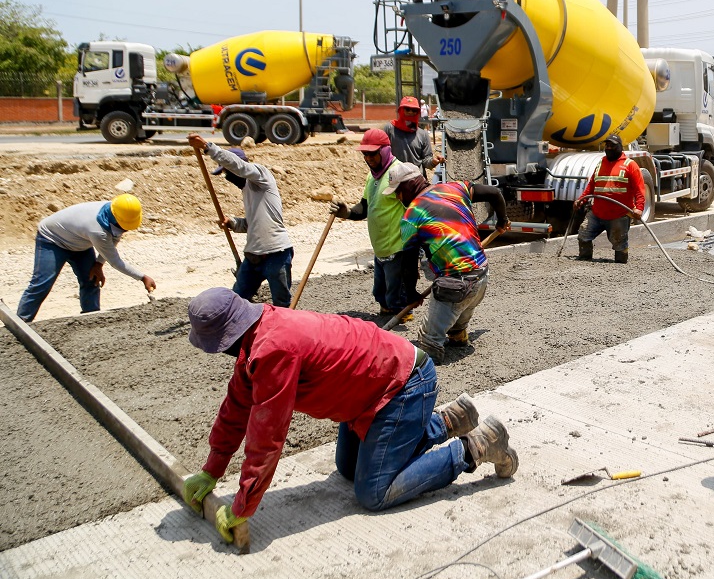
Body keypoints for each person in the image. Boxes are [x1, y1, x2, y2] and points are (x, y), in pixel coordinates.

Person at [180, 288, 518, 542]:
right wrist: (211, 470)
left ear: (226, 338)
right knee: (349, 470)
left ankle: (475, 446)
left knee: (374, 492)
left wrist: (243, 504)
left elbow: (266, 437)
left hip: (405, 384)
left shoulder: (274, 350)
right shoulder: (257, 336)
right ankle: (446, 421)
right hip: (374, 394)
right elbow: (235, 410)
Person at [391, 165, 509, 363]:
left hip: (456, 285)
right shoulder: (456, 188)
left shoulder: (412, 216)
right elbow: (495, 193)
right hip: (482, 274)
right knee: (463, 305)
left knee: (428, 340)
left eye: (397, 192)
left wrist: (411, 293)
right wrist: (502, 219)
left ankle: (432, 353)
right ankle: (457, 333)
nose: (397, 198)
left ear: (409, 186)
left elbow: (408, 263)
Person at [188, 134, 293, 307]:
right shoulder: (247, 191)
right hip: (253, 257)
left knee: (281, 306)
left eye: (227, 172)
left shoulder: (261, 177)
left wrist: (208, 147)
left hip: (276, 253)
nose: (227, 176)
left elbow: (239, 167)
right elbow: (253, 225)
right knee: (236, 302)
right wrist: (234, 223)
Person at [17, 195, 157, 322]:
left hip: (79, 243)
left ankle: (91, 320)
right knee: (42, 283)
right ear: (117, 218)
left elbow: (112, 241)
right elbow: (115, 260)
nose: (125, 230)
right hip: (52, 240)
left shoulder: (116, 211)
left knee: (92, 280)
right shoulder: (97, 230)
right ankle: (20, 324)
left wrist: (98, 265)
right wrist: (142, 277)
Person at [332, 129, 414, 320]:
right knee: (381, 293)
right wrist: (347, 213)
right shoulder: (373, 176)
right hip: (380, 248)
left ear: (385, 151)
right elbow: (365, 207)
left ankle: (401, 322)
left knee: (397, 296)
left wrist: (413, 247)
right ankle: (387, 312)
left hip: (398, 247)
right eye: (365, 154)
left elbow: (415, 209)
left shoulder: (399, 173)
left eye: (372, 154)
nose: (368, 158)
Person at [574, 134, 645, 264]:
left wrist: (639, 208)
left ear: (619, 147)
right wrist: (581, 200)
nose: (609, 148)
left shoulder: (630, 165)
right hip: (597, 212)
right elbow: (591, 185)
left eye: (612, 145)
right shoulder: (601, 163)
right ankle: (584, 260)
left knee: (619, 242)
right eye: (607, 145)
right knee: (583, 234)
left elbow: (640, 190)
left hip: (619, 214)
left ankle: (620, 264)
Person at [384, 95, 444, 177]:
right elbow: (383, 155)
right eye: (407, 109)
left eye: (414, 110)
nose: (410, 112)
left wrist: (433, 162)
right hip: (395, 180)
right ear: (401, 110)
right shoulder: (390, 129)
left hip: (416, 181)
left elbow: (426, 161)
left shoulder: (423, 134)